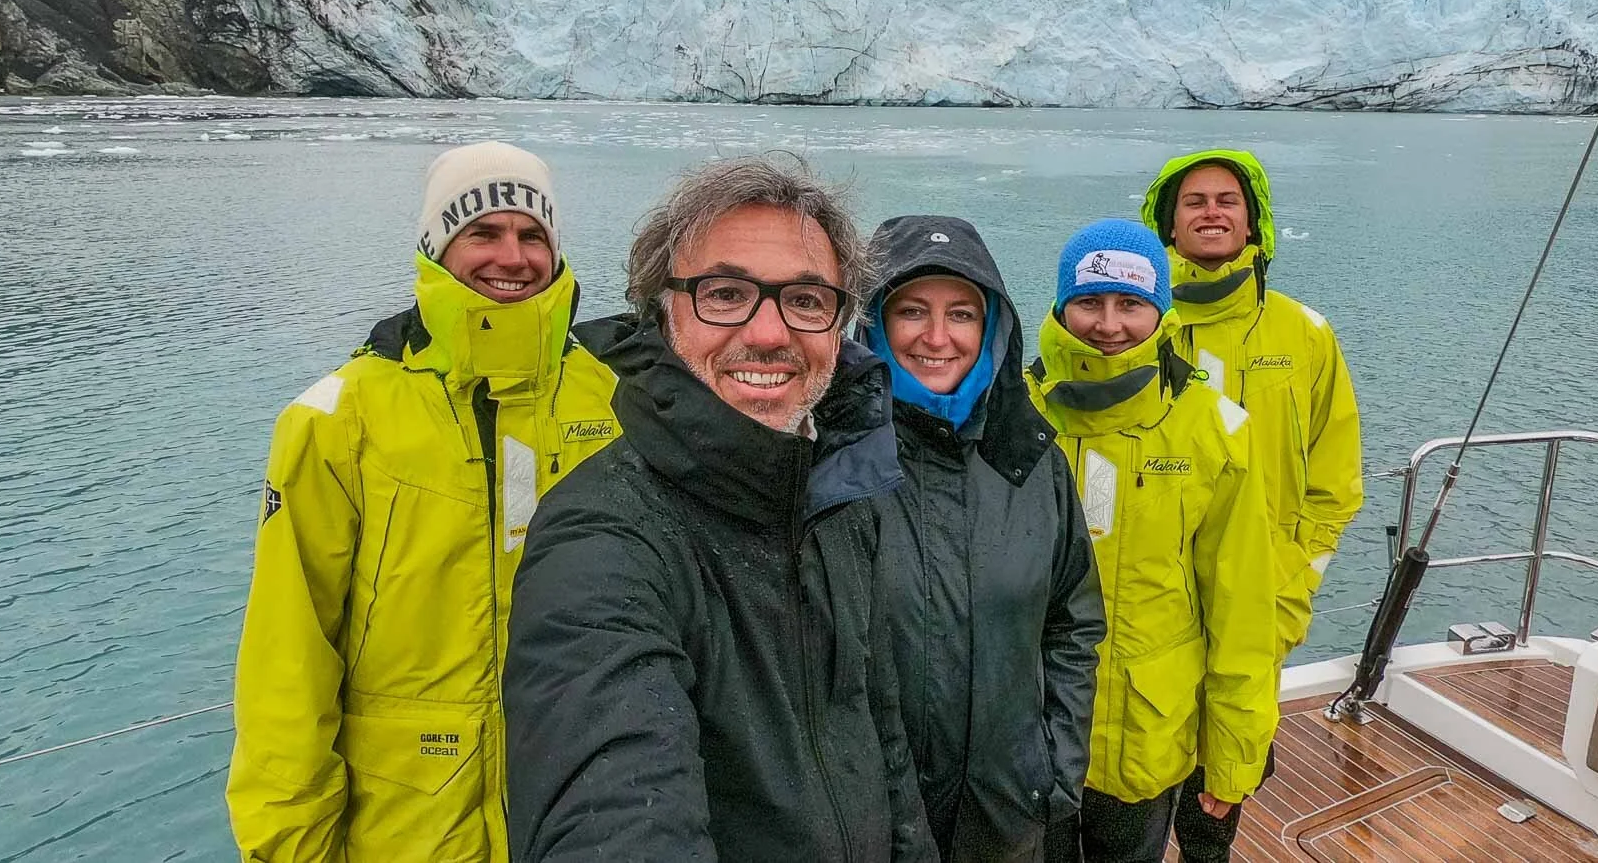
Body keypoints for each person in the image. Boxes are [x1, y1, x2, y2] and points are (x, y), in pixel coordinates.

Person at [504, 155, 936, 862]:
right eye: (726, 292)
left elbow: (879, 740)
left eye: (805, 299)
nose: (768, 332)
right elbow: (615, 810)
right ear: (662, 311)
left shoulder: (838, 500)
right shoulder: (602, 541)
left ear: (839, 323)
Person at [227, 141, 620, 862]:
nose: (513, 255)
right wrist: (293, 847)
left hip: (581, 810)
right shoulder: (337, 419)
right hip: (408, 830)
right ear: (437, 246)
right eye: (483, 231)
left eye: (533, 234)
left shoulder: (610, 399)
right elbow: (288, 661)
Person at [1026, 219, 1278, 863]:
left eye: (1131, 304)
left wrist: (1233, 751)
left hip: (1144, 730)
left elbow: (1241, 604)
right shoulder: (1016, 412)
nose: (1109, 324)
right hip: (1028, 726)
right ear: (1060, 307)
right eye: (1089, 302)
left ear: (1160, 310)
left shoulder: (1215, 430)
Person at [1140, 150, 1364, 860]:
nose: (1211, 211)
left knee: (1222, 785)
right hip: (1153, 603)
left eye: (1227, 199)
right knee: (1137, 778)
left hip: (1259, 599)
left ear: (1252, 217)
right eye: (1195, 200)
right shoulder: (1133, 327)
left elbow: (1337, 480)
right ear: (1168, 225)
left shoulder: (1304, 335)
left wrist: (1294, 581)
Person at [861, 215, 1106, 862]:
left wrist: (1055, 765)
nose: (938, 337)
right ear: (873, 323)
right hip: (867, 822)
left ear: (992, 325)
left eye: (962, 314)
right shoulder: (832, 460)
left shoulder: (1029, 458)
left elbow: (1074, 620)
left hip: (1004, 814)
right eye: (912, 310)